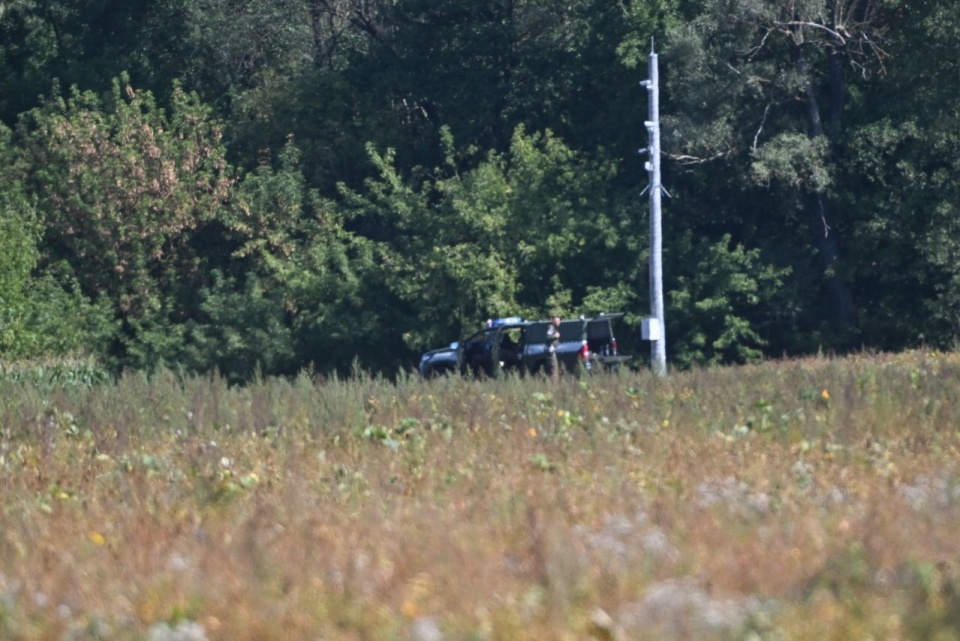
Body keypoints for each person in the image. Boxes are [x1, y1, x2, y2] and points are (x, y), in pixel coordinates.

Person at [545, 315, 561, 382]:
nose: (558, 322)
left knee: (555, 368)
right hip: (551, 351)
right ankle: (554, 385)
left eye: (559, 321)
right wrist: (555, 336)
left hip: (553, 350)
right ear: (553, 321)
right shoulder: (551, 327)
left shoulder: (554, 328)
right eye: (556, 321)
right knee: (553, 368)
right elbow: (548, 337)